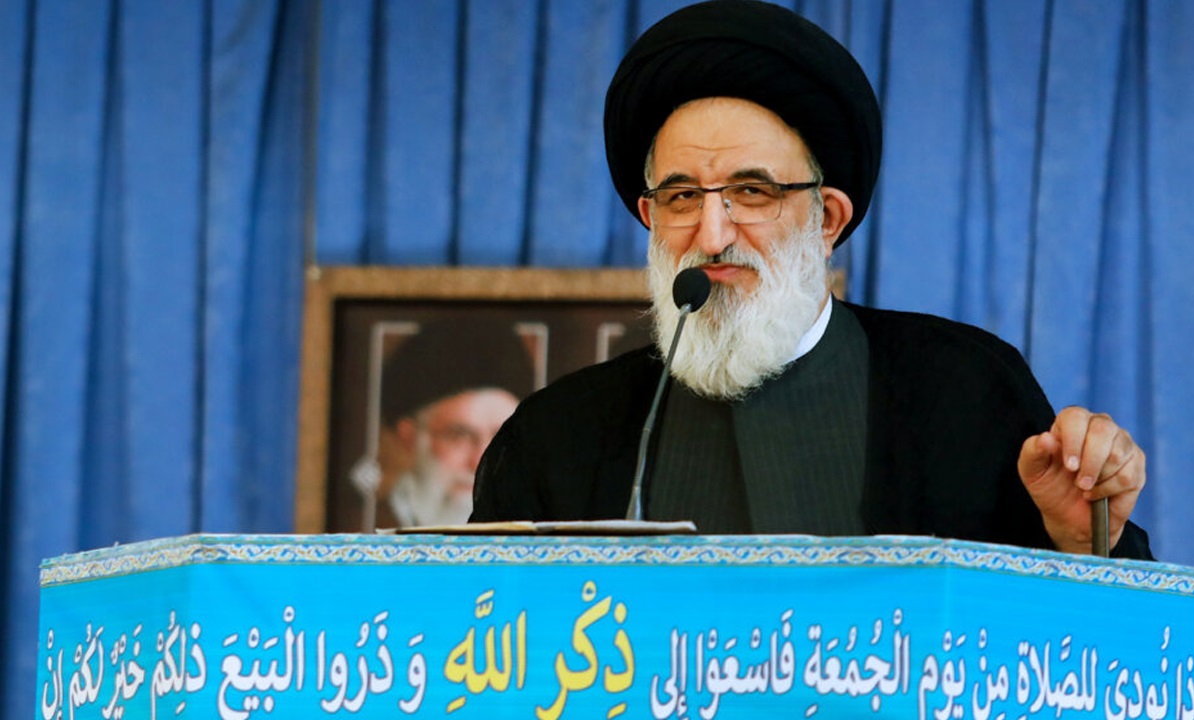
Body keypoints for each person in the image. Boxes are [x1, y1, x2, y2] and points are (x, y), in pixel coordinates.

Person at [471, 0, 1150, 559]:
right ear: (650, 217)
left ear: (826, 218)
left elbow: (1094, 643)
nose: (712, 234)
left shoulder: (964, 390)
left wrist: (1079, 541)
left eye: (752, 191)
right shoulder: (556, 436)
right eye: (682, 197)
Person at [354, 321, 532, 528]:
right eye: (459, 436)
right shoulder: (362, 524)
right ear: (408, 437)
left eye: (503, 438)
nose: (481, 463)